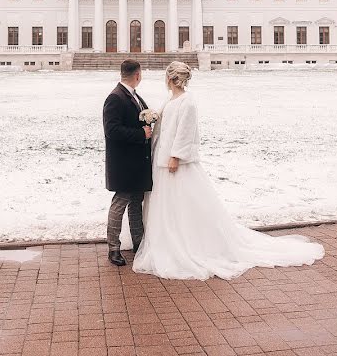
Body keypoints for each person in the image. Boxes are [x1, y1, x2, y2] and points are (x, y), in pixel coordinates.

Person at [132, 61, 324, 280]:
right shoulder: (170, 100)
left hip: (175, 162)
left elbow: (186, 133)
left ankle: (189, 243)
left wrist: (176, 156)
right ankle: (166, 238)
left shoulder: (187, 102)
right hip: (161, 160)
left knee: (182, 204)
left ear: (170, 78)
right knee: (165, 204)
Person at [102, 59, 153, 267]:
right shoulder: (115, 98)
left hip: (136, 162)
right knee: (120, 202)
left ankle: (138, 243)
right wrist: (140, 133)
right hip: (124, 163)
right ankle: (113, 247)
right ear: (137, 75)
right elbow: (111, 131)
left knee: (135, 202)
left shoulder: (133, 96)